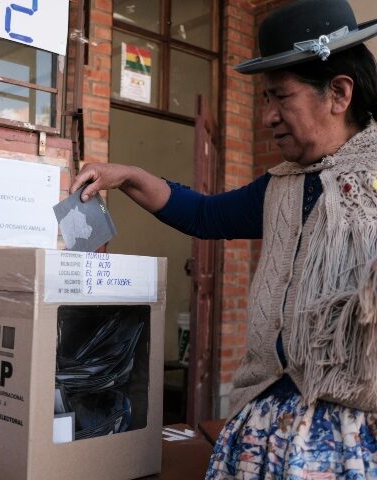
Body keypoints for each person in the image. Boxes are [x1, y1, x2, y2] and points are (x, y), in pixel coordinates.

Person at [71, 0, 377, 477]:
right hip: (266, 419)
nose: (267, 117)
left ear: (338, 93)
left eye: (281, 97)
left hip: (352, 435)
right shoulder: (281, 187)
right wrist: (126, 175)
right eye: (264, 99)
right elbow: (205, 214)